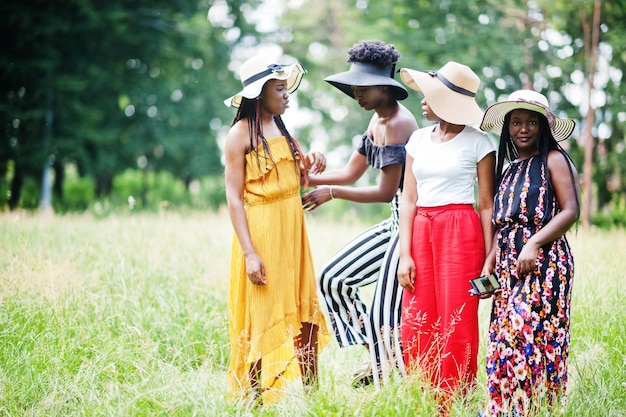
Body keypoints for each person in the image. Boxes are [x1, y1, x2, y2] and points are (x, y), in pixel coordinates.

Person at [301, 40, 418, 389]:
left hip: (410, 225)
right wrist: (306, 176)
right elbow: (351, 173)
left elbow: (385, 192)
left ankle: (388, 380)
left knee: (384, 311)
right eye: (354, 87)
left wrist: (331, 193)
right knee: (332, 278)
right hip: (393, 224)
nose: (357, 94)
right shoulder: (376, 121)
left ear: (386, 87)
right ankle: (376, 352)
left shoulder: (399, 123)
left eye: (364, 87)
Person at [223, 54, 330, 405]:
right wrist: (251, 253)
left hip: (293, 232)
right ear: (259, 93)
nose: (287, 96)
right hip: (262, 233)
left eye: (287, 89)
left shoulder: (283, 130)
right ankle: (254, 403)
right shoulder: (239, 135)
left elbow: (300, 177)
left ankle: (315, 399)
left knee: (304, 311)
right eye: (280, 89)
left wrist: (312, 159)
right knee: (262, 315)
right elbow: (234, 199)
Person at [396, 61, 496, 409]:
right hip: (421, 228)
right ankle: (422, 398)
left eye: (432, 94)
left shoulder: (480, 143)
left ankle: (453, 403)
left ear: (450, 102)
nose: (423, 100)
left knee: (458, 318)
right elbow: (408, 198)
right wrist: (404, 253)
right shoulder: (417, 139)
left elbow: (486, 204)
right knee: (417, 316)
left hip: (461, 230)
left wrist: (489, 255)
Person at [478, 89, 580, 416]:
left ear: (543, 126)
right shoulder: (507, 170)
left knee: (529, 337)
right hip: (509, 263)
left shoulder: (554, 159)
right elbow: (502, 222)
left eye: (531, 122)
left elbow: (570, 211)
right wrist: (490, 257)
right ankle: (503, 410)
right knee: (502, 340)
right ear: (507, 127)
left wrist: (534, 242)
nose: (523, 129)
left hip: (546, 263)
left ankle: (535, 409)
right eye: (516, 122)